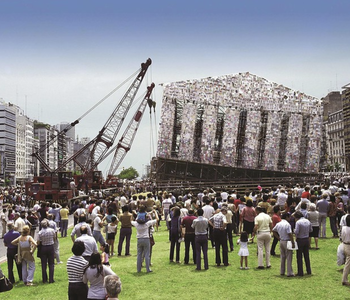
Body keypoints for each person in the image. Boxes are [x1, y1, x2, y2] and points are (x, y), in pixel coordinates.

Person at [272, 212, 295, 277]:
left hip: (281, 241)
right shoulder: (287, 224)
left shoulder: (278, 224)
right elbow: (290, 234)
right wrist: (293, 242)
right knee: (289, 257)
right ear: (287, 217)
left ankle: (282, 271)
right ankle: (289, 272)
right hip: (287, 241)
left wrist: (278, 238)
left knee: (282, 257)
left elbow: (273, 231)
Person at [294, 211, 312, 276]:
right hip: (306, 239)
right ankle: (308, 270)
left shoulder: (298, 222)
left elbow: (296, 232)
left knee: (299, 256)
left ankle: (300, 272)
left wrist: (293, 230)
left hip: (300, 240)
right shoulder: (308, 221)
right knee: (306, 256)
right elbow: (311, 230)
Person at [37, 219, 56, 283]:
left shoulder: (40, 232)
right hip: (50, 246)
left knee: (43, 264)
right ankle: (51, 279)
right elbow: (54, 238)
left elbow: (38, 242)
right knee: (51, 264)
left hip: (43, 247)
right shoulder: (52, 230)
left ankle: (44, 279)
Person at [341, 215, 350, 286]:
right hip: (349, 246)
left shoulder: (344, 228)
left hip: (344, 244)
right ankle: (344, 279)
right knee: (348, 264)